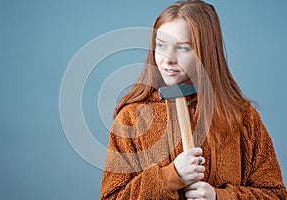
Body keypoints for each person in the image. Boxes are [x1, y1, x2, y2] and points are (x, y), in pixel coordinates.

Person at [99, 0, 287, 199]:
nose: (168, 58)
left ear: (206, 52)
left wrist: (219, 197)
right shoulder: (131, 118)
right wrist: (171, 176)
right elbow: (111, 197)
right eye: (161, 45)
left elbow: (275, 195)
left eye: (183, 48)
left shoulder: (243, 117)